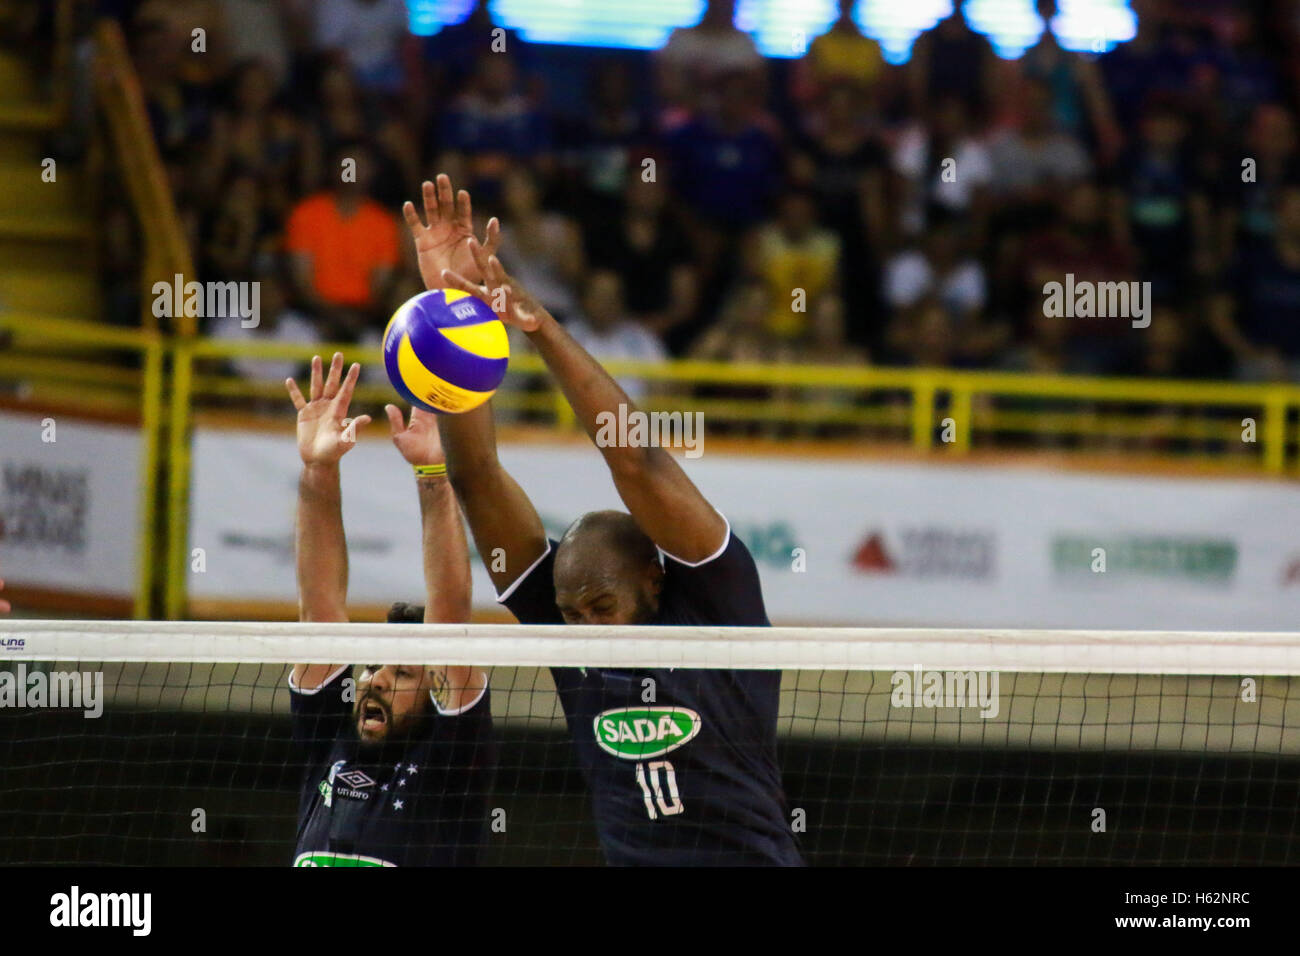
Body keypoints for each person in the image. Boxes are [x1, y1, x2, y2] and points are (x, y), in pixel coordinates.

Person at [403, 174, 803, 866]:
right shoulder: (570, 636)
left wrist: (539, 328)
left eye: (601, 607)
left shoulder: (720, 603)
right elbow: (475, 478)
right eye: (573, 613)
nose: (584, 628)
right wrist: (450, 314)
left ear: (653, 580)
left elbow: (638, 461)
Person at [285, 352, 493, 866]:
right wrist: (318, 468)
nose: (375, 679)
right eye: (375, 666)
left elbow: (450, 616)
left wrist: (432, 474)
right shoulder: (329, 747)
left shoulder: (450, 767)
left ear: (435, 697)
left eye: (402, 673)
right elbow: (321, 610)